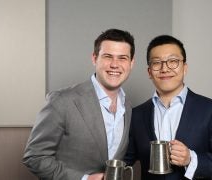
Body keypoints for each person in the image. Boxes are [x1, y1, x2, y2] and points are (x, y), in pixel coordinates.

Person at [23, 28, 135, 180]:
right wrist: (84, 179)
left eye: (122, 58)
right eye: (108, 56)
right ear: (94, 58)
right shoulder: (61, 100)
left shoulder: (127, 106)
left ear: (131, 63)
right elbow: (35, 157)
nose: (115, 64)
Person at [124, 35, 212, 180]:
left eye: (173, 61)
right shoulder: (137, 114)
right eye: (157, 63)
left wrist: (191, 159)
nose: (165, 68)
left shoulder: (211, 109)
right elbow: (125, 161)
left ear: (185, 68)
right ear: (149, 72)